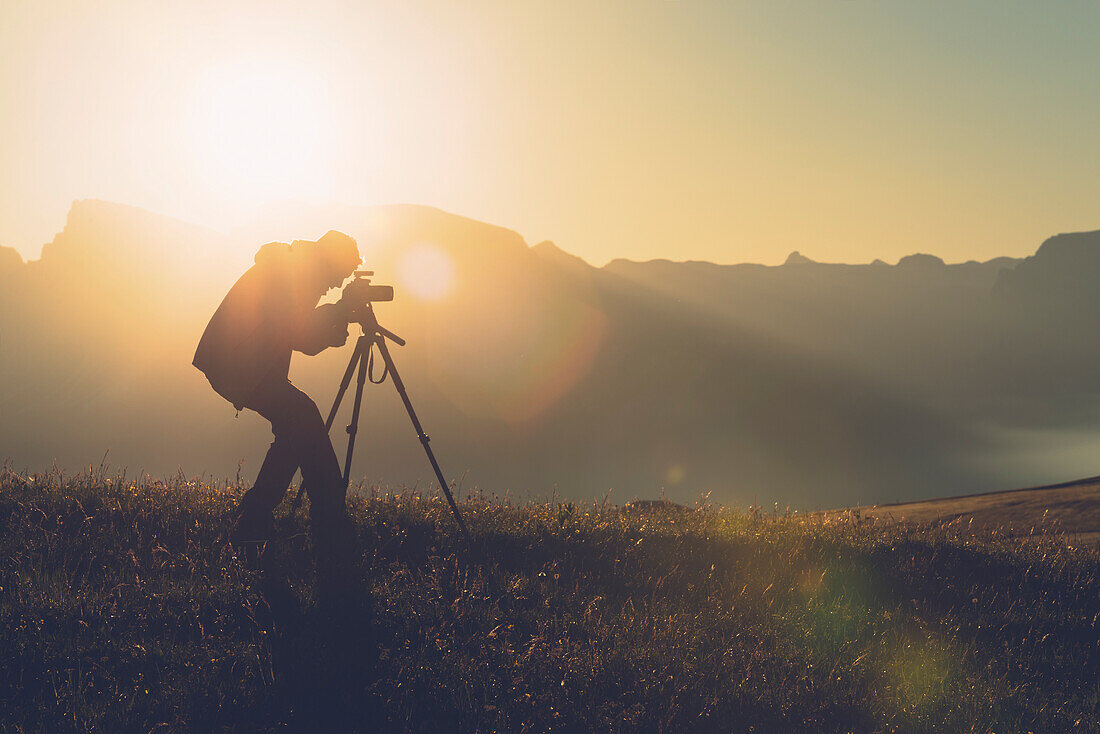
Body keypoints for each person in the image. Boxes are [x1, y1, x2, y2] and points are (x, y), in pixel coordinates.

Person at [193, 230, 362, 571]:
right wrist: (338, 313)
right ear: (331, 262)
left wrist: (334, 318)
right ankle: (324, 515)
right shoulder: (294, 274)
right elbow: (297, 331)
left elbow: (297, 334)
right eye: (341, 274)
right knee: (303, 416)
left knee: (296, 427)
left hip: (240, 362)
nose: (335, 284)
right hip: (237, 364)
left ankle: (261, 518)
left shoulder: (297, 269)